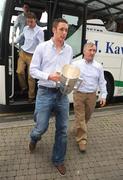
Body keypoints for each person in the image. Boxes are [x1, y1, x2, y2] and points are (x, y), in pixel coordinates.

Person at [29, 18, 73, 175]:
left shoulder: (69, 50)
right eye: (61, 29)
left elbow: (68, 69)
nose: (64, 33)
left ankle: (58, 160)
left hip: (62, 93)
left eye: (66, 30)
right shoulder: (42, 48)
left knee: (62, 129)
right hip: (45, 92)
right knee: (41, 127)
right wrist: (48, 76)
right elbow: (33, 70)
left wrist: (71, 81)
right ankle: (34, 137)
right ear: (54, 30)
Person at [72, 42, 107, 153]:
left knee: (86, 117)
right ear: (84, 51)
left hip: (92, 96)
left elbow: (102, 82)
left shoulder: (98, 66)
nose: (92, 53)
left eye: (94, 51)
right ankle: (82, 140)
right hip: (79, 94)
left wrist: (103, 95)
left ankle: (78, 128)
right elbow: (70, 78)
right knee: (80, 117)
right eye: (90, 50)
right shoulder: (76, 64)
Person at [15, 12, 44, 103]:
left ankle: (31, 96)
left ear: (35, 20)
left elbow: (41, 44)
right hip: (23, 53)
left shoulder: (39, 31)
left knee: (31, 77)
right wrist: (14, 42)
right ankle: (24, 88)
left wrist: (40, 57)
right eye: (28, 22)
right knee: (19, 72)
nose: (29, 24)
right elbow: (21, 36)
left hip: (33, 56)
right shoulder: (25, 28)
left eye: (31, 22)